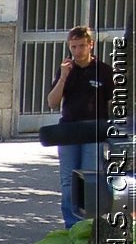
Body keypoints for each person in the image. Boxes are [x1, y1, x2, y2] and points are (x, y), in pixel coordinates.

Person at [47, 25, 113, 228]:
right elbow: (52, 102)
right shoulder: (66, 70)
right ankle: (72, 228)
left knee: (90, 181)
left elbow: (112, 104)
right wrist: (64, 76)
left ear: (90, 45)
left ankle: (89, 227)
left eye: (81, 46)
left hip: (94, 133)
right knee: (68, 183)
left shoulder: (104, 71)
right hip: (69, 132)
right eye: (73, 47)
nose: (77, 51)